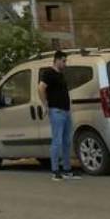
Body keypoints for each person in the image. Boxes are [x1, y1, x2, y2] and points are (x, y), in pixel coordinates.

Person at [38, 50, 78, 182]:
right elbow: (41, 88)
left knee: (67, 141)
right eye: (63, 61)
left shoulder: (61, 75)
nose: (65, 64)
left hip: (66, 111)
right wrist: (45, 105)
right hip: (56, 111)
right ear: (57, 60)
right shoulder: (49, 73)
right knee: (57, 141)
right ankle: (55, 170)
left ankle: (67, 169)